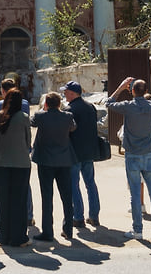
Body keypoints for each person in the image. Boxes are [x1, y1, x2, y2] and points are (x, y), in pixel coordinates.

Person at [106, 77, 151, 241]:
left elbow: (109, 103)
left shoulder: (128, 106)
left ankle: (137, 230)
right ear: (146, 91)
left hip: (132, 154)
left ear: (132, 91)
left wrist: (120, 87)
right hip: (148, 153)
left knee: (135, 193)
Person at [29, 91, 77, 242]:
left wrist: (43, 110)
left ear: (46, 104)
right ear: (59, 104)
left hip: (45, 160)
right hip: (64, 160)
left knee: (47, 197)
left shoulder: (40, 116)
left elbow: (31, 121)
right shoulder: (68, 116)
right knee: (67, 197)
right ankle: (68, 229)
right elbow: (73, 128)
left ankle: (48, 231)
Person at [0, 89, 32, 247]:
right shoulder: (24, 118)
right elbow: (28, 142)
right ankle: (19, 237)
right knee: (18, 201)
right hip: (20, 164)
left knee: (3, 201)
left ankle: (3, 237)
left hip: (0, 164)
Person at [63, 81, 101, 228]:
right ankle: (94, 216)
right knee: (90, 183)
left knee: (74, 185)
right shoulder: (90, 107)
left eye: (66, 92)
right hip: (89, 151)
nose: (64, 95)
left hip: (74, 153)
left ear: (72, 93)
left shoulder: (70, 109)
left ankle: (78, 217)